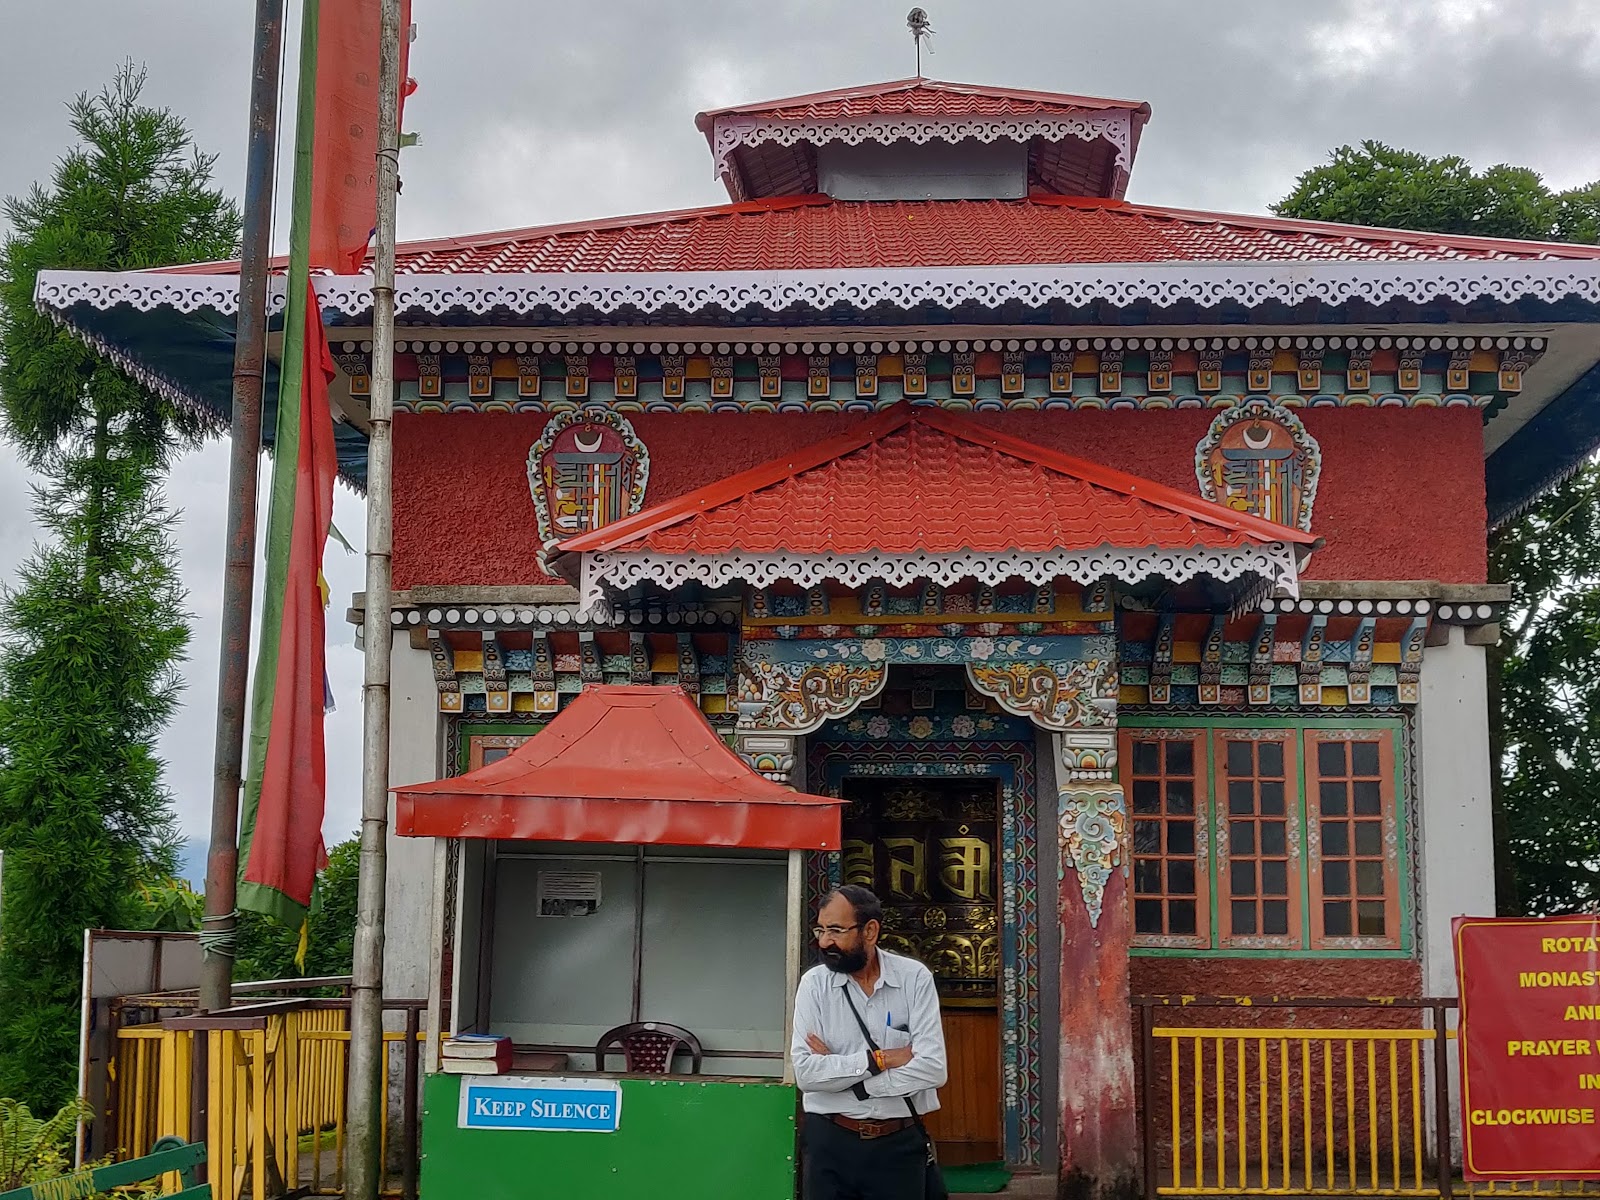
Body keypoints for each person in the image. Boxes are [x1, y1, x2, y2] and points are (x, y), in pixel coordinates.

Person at [791, 884, 948, 1200]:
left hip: (898, 1145)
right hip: (830, 1142)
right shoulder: (814, 986)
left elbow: (932, 1069)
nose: (824, 942)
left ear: (871, 931)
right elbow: (806, 1074)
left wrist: (845, 1078)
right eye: (820, 929)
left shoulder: (914, 979)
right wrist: (880, 1060)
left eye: (836, 930)